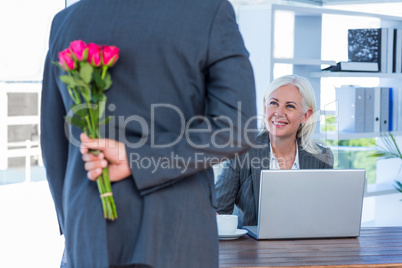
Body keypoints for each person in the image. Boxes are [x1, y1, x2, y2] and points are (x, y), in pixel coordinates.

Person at [40, 0, 257, 267]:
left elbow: (54, 144)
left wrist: (74, 224)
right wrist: (137, 159)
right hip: (177, 233)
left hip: (88, 232)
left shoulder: (67, 20)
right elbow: (237, 127)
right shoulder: (208, 11)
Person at [215, 74, 334, 228]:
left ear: (305, 116)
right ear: (265, 108)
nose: (278, 112)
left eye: (290, 106)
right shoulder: (242, 153)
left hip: (305, 248)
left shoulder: (321, 158)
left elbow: (326, 217)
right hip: (252, 249)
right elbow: (217, 211)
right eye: (273, 103)